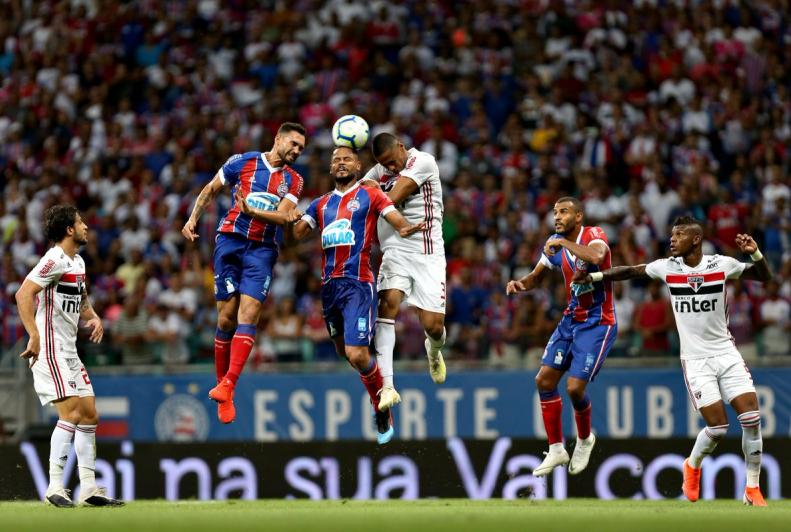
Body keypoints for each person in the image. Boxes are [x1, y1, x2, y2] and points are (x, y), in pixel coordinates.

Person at [572, 216, 772, 506]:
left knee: (752, 419)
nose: (672, 239)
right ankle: (692, 465)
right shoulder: (667, 268)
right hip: (695, 359)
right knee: (717, 428)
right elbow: (630, 271)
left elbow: (763, 276)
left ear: (695, 239)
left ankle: (752, 489)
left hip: (726, 353)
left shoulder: (721, 265)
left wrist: (754, 252)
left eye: (678, 235)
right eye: (672, 234)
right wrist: (594, 277)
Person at [239, 146, 424, 444]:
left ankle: (381, 406)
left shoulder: (370, 195)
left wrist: (406, 228)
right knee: (344, 353)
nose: (340, 163)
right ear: (329, 169)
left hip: (357, 283)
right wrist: (289, 217)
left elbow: (393, 216)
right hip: (329, 288)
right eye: (336, 159)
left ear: (358, 165)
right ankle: (372, 371)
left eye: (347, 159)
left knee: (356, 353)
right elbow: (296, 235)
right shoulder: (320, 203)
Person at [182, 122, 306, 424]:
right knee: (226, 318)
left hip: (262, 249)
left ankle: (228, 387)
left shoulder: (294, 180)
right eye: (293, 143)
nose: (296, 151)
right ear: (277, 139)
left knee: (249, 315)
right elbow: (211, 188)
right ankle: (221, 385)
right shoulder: (243, 162)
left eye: (301, 148)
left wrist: (253, 213)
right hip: (230, 240)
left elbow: (285, 216)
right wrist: (192, 219)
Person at [14, 205, 123, 507]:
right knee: (72, 413)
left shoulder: (77, 262)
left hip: (69, 351)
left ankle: (88, 489)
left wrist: (94, 316)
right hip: (50, 349)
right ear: (69, 230)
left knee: (89, 414)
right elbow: (23, 294)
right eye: (80, 222)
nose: (86, 225)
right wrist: (34, 335)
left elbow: (81, 296)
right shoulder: (54, 259)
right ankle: (54, 488)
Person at [505, 197, 617, 477]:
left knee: (575, 389)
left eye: (564, 212)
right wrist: (521, 284)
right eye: (555, 212)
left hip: (597, 321)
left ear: (578, 217)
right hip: (571, 319)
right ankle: (556, 449)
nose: (557, 216)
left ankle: (584, 438)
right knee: (544, 380)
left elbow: (596, 258)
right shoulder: (554, 243)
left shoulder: (593, 234)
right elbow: (536, 276)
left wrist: (562, 243)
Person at [360, 132, 447, 412]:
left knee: (433, 326)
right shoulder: (379, 170)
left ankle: (433, 350)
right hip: (395, 249)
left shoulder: (423, 161)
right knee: (388, 304)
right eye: (385, 165)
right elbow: (361, 198)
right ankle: (387, 386)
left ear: (401, 146)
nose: (391, 168)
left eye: (393, 162)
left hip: (427, 251)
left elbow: (391, 199)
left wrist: (373, 191)